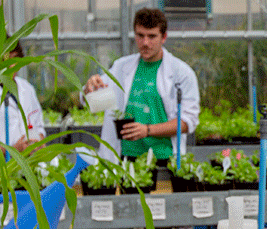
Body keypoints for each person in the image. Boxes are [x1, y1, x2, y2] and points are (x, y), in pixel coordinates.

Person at [83, 8, 199, 164]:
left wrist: (147, 130)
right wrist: (89, 89)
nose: (145, 43)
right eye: (140, 35)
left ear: (163, 37)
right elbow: (91, 102)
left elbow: (187, 122)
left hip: (164, 158)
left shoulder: (181, 73)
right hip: (125, 157)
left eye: (152, 36)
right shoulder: (121, 68)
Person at [0, 41, 45, 152]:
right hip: (2, 167)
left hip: (31, 162)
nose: (11, 65)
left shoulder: (27, 88)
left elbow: (38, 125)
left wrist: (39, 141)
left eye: (15, 59)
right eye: (5, 60)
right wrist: (13, 151)